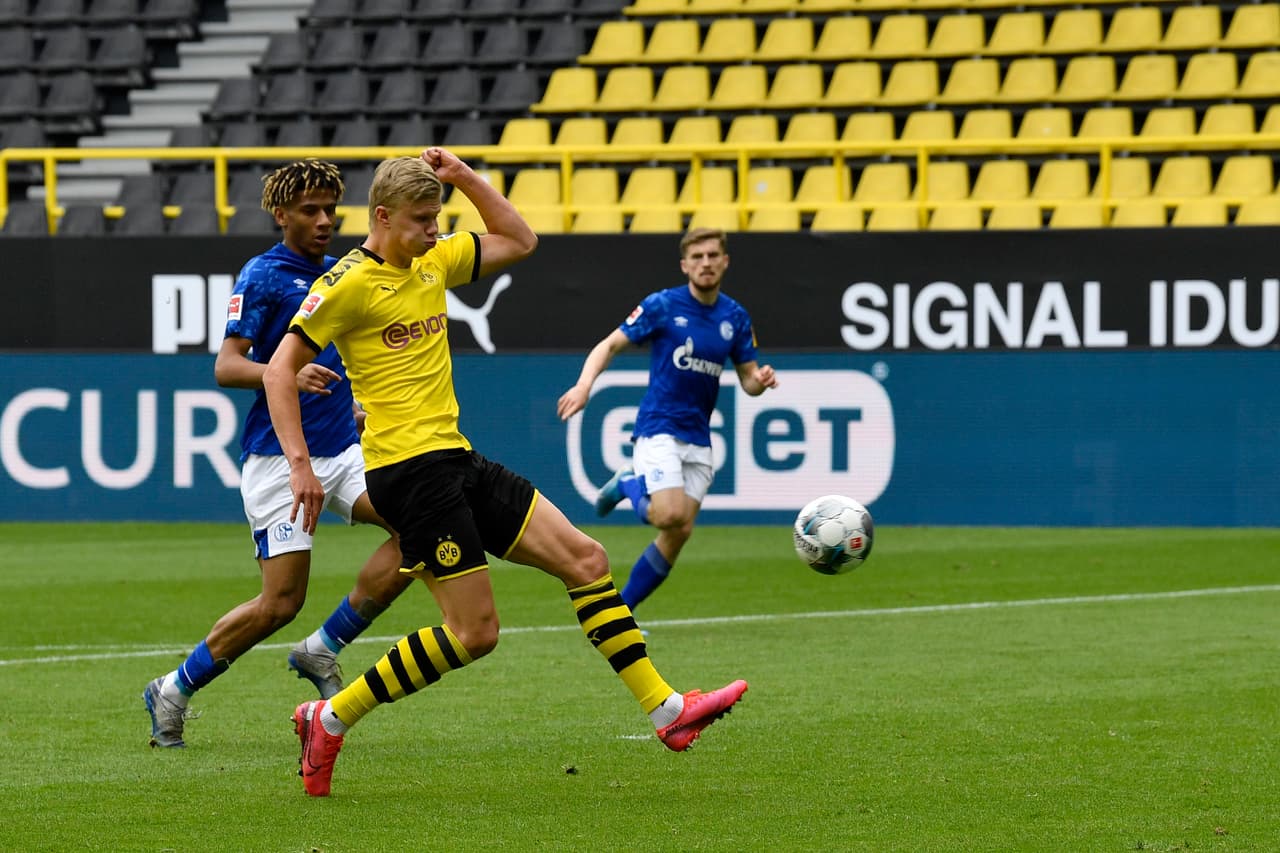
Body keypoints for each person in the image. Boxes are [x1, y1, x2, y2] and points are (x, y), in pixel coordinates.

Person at [263, 148, 748, 797]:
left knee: (586, 558)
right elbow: (277, 370)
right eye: (421, 220)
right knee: (475, 633)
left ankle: (668, 710)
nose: (434, 232)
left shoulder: (433, 259)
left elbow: (520, 239)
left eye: (439, 217)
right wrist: (302, 465)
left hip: (455, 457)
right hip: (407, 474)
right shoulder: (345, 284)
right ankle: (330, 714)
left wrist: (464, 177)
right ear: (382, 216)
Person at [142, 160, 412, 748]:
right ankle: (172, 688)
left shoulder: (343, 273)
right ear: (280, 214)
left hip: (343, 450)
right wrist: (286, 373)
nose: (323, 221)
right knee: (279, 602)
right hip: (278, 460)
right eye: (309, 210)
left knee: (418, 527)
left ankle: (324, 648)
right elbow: (228, 365)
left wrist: (352, 407)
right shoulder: (264, 275)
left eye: (329, 209)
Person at [556, 228, 778, 611]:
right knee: (669, 515)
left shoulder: (735, 316)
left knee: (680, 532)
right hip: (659, 426)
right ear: (684, 265)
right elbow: (610, 344)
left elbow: (748, 379)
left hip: (699, 436)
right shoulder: (662, 306)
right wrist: (584, 385)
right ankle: (628, 483)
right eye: (697, 257)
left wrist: (760, 381)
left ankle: (619, 613)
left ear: (725, 261)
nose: (705, 263)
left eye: (712, 255)